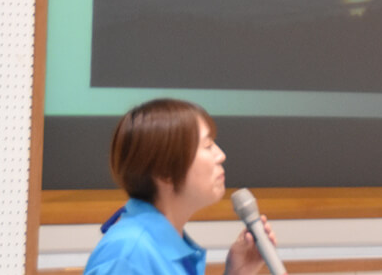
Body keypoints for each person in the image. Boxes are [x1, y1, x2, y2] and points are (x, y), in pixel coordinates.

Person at [84, 98, 278, 275]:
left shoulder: (160, 245)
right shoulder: (128, 254)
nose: (221, 155)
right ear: (164, 171)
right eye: (208, 146)